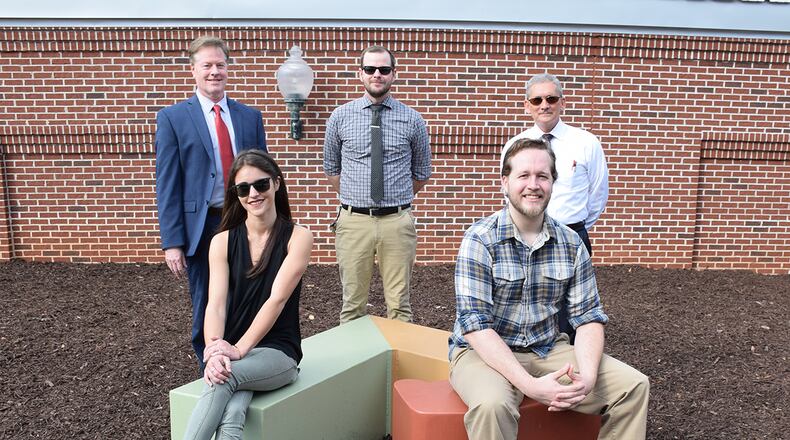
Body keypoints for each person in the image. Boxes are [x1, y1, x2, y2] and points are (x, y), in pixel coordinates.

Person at [449, 138, 648, 440]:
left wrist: (588, 379)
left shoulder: (570, 243)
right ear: (505, 182)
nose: (534, 184)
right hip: (481, 354)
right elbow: (476, 326)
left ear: (553, 182)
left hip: (547, 349)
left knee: (633, 386)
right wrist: (530, 386)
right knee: (492, 405)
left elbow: (588, 317)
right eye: (523, 176)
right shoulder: (480, 240)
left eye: (542, 176)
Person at [182, 150, 312, 440]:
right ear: (236, 194)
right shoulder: (222, 241)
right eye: (243, 188)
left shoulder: (298, 237)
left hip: (277, 351)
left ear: (276, 184)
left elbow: (276, 299)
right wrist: (213, 350)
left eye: (261, 184)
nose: (253, 193)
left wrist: (238, 350)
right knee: (233, 413)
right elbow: (214, 305)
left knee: (223, 380)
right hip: (233, 350)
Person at [156, 35, 267, 370]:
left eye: (220, 64)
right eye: (207, 65)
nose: (214, 71)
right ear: (193, 70)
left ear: (228, 68)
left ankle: (245, 358)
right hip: (201, 224)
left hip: (244, 219)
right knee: (206, 296)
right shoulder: (173, 118)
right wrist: (172, 242)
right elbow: (167, 183)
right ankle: (209, 364)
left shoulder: (250, 117)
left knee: (250, 289)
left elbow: (263, 173)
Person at [323, 45, 432, 324]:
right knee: (352, 305)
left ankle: (399, 368)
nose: (377, 74)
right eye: (370, 69)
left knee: (399, 306)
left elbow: (421, 172)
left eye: (384, 69)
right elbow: (332, 168)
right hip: (353, 222)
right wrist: (357, 197)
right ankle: (354, 365)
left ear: (393, 74)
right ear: (360, 74)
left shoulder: (412, 119)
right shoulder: (340, 117)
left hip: (397, 222)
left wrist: (394, 197)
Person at [501, 73, 609, 343]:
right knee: (527, 301)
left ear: (563, 102)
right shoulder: (515, 146)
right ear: (527, 105)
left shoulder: (585, 142)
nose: (544, 105)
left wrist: (575, 228)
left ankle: (571, 366)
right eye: (536, 99)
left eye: (551, 98)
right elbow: (511, 191)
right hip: (526, 235)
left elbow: (598, 193)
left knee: (572, 312)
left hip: (572, 235)